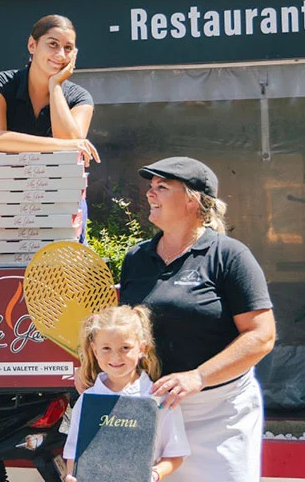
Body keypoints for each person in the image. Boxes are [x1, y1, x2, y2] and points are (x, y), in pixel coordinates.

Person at [119, 156, 277, 482]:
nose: (150, 194)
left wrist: (198, 377)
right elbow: (129, 334)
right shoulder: (136, 258)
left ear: (193, 200)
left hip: (220, 412)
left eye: (162, 187)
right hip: (153, 409)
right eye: (150, 187)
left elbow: (261, 336)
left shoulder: (230, 256)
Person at [0, 14, 100, 242]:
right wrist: (65, 145)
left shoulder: (80, 98)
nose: (60, 55)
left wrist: (55, 86)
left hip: (63, 199)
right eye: (52, 44)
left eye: (68, 48)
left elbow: (72, 148)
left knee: (64, 273)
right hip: (7, 197)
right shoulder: (0, 84)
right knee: (6, 274)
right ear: (32, 45)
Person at [62, 305, 189, 482]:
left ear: (142, 349)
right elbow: (73, 451)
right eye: (106, 348)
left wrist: (153, 475)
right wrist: (71, 476)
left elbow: (175, 455)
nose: (115, 357)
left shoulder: (159, 398)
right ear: (94, 349)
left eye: (125, 348)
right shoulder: (87, 400)